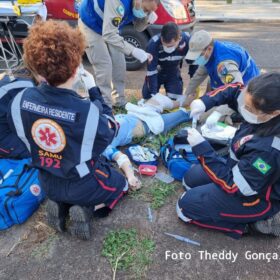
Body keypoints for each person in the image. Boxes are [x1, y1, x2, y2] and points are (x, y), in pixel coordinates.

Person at [8, 20, 128, 240]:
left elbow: (27, 141)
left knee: (67, 176)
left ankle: (60, 204)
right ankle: (86, 208)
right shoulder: (87, 112)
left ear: (37, 70)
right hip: (81, 183)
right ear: (76, 70)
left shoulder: (18, 102)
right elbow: (111, 128)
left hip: (46, 180)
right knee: (121, 184)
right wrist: (93, 90)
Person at [176, 72, 280, 239]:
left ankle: (251, 225)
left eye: (250, 109)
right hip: (239, 168)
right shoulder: (259, 101)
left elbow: (236, 187)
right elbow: (234, 91)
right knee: (190, 179)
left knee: (184, 208)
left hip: (255, 195)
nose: (244, 109)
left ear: (274, 113)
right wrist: (204, 102)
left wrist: (202, 149)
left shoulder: (269, 151)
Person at [79, 0, 160, 108]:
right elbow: (108, 35)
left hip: (110, 27)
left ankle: (120, 101)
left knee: (119, 63)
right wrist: (134, 51)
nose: (145, 12)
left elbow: (138, 27)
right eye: (145, 10)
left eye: (149, 11)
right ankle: (105, 105)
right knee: (104, 65)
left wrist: (147, 19)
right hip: (90, 23)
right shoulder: (117, 2)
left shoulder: (138, 6)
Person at [103, 104, 191, 189]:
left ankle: (186, 99)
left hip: (136, 111)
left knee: (169, 101)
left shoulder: (95, 120)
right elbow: (121, 158)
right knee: (184, 114)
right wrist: (131, 177)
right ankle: (199, 106)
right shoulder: (102, 146)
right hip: (149, 124)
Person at [184, 30, 260, 106]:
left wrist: (218, 109)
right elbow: (199, 74)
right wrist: (186, 95)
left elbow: (235, 89)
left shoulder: (224, 65)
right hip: (232, 80)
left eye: (198, 55)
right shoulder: (212, 50)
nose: (196, 58)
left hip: (247, 90)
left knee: (211, 114)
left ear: (209, 49)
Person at [142, 22, 197, 100]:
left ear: (179, 39)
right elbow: (151, 72)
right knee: (148, 96)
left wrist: (194, 86)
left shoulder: (187, 41)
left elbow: (193, 65)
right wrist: (153, 95)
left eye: (171, 46)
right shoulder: (153, 44)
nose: (168, 48)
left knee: (175, 99)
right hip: (157, 71)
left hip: (173, 71)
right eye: (165, 45)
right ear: (161, 38)